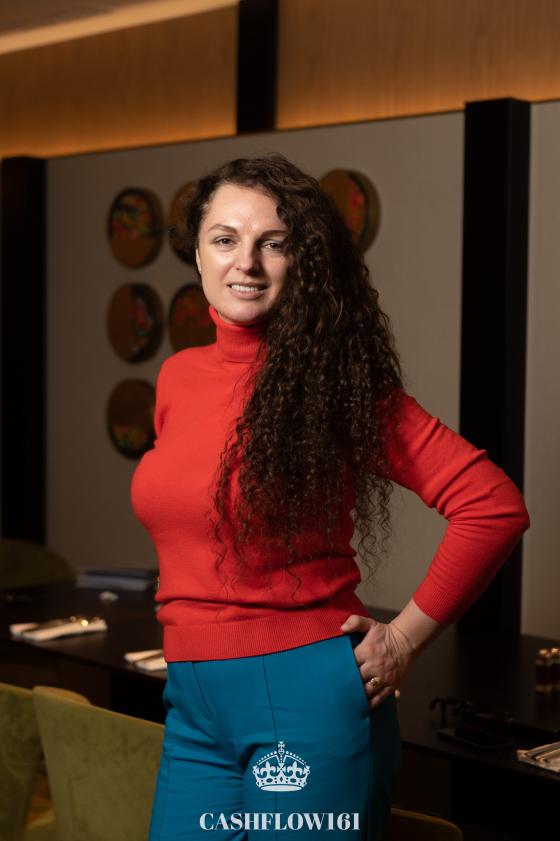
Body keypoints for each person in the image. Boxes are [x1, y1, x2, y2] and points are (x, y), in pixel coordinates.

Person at [130, 153, 530, 840]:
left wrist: (403, 640)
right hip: (193, 704)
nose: (246, 262)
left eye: (273, 243)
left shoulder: (334, 384)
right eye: (225, 239)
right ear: (198, 252)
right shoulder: (177, 377)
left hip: (305, 700)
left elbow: (491, 505)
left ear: (302, 259)